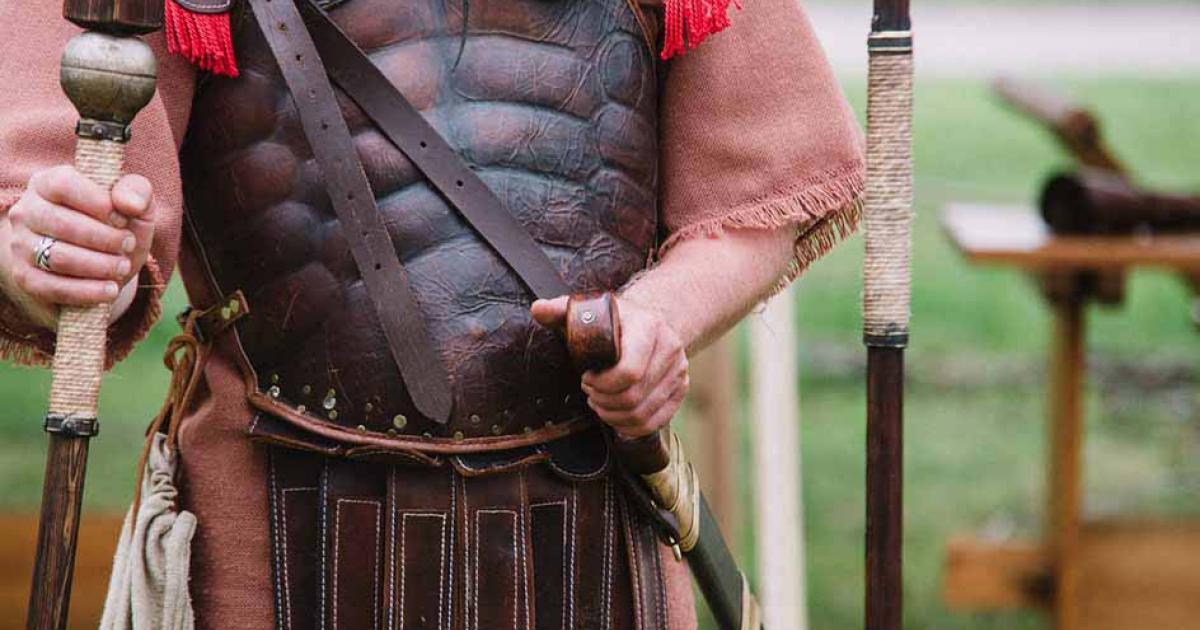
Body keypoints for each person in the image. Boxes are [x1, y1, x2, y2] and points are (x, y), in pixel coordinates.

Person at [0, 0, 863, 626]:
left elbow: (769, 184)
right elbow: (74, 209)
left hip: (595, 525)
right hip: (266, 532)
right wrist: (58, 254)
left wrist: (660, 319)